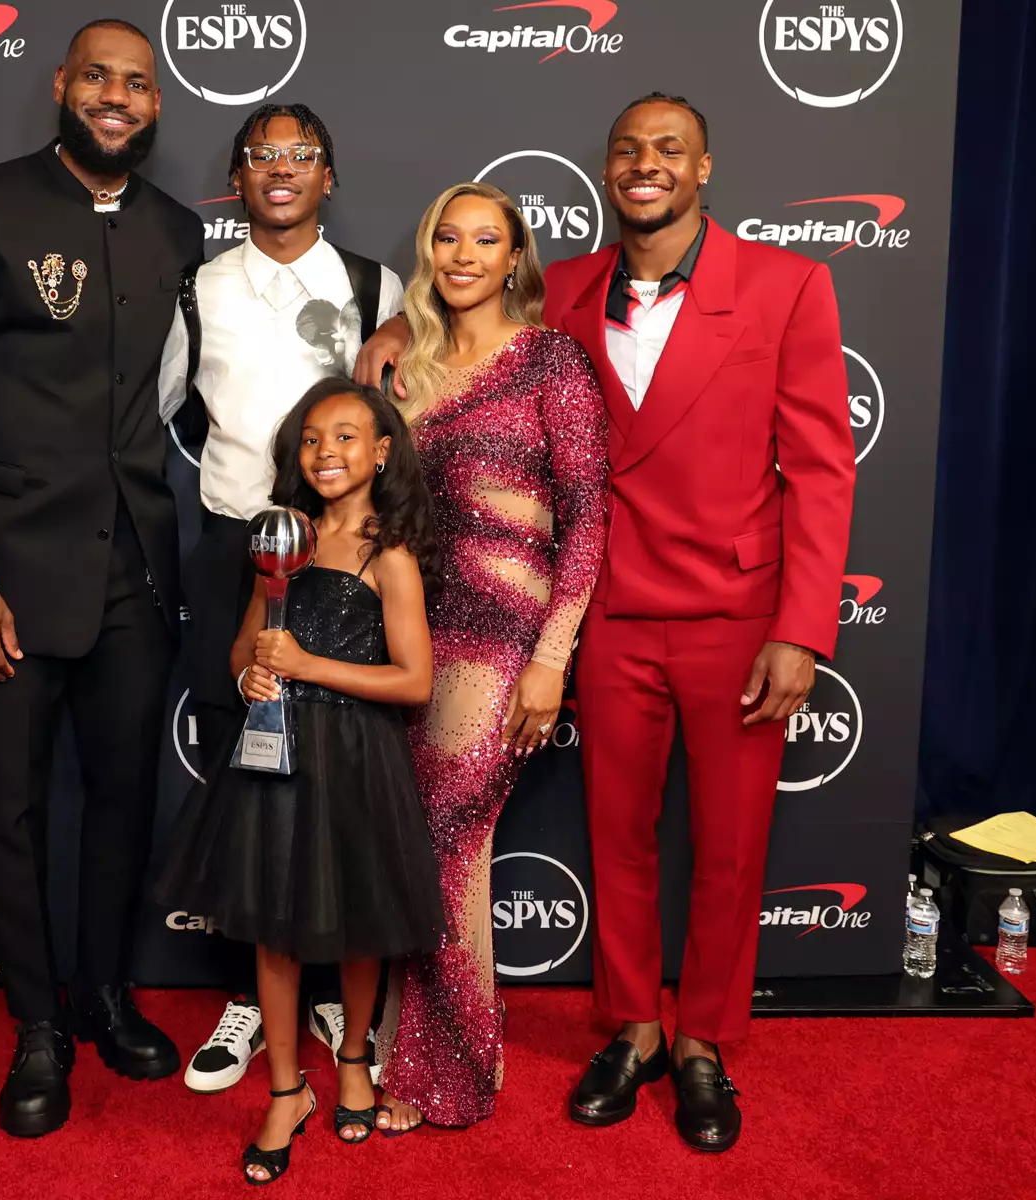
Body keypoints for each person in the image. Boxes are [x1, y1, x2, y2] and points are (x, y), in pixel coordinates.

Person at [357, 94, 856, 1151]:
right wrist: (401, 324)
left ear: (704, 166)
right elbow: (469, 311)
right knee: (618, 838)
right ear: (607, 170)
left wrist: (803, 627)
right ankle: (632, 1029)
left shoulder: (787, 284)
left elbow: (819, 467)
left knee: (728, 846)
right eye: (629, 149)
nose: (646, 165)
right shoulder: (568, 287)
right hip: (609, 616)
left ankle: (703, 1045)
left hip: (737, 613)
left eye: (668, 149)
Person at [0, 19, 202, 1137]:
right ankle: (36, 1027)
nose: (118, 97)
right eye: (100, 78)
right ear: (63, 88)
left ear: (155, 105)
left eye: (138, 83)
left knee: (124, 800)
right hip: (12, 577)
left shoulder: (177, 230)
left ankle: (106, 994)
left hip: (135, 569)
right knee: (14, 809)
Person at [156, 104, 404, 1093]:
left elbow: (397, 410)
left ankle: (339, 999)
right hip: (237, 549)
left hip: (342, 558)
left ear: (329, 176)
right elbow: (162, 413)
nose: (282, 170)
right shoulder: (199, 288)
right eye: (262, 156)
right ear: (238, 176)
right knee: (244, 775)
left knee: (342, 773)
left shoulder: (371, 285)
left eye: (302, 155)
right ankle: (256, 1002)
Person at [153, 379, 447, 1184]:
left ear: (382, 452)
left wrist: (311, 667)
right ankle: (286, 1090)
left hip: (356, 758)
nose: (327, 454)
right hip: (275, 758)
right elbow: (244, 652)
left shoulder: (388, 553)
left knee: (359, 922)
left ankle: (353, 1059)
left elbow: (415, 681)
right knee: (274, 929)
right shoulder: (281, 540)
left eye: (348, 438)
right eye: (312, 440)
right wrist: (251, 675)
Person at [369, 182, 609, 1131]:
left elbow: (589, 514)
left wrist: (554, 656)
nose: (464, 256)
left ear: (516, 259)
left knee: (448, 841)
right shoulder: (408, 370)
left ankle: (449, 1071)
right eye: (447, 239)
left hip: (507, 643)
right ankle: (419, 1052)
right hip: (414, 639)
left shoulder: (551, 358)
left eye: (486, 241)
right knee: (423, 844)